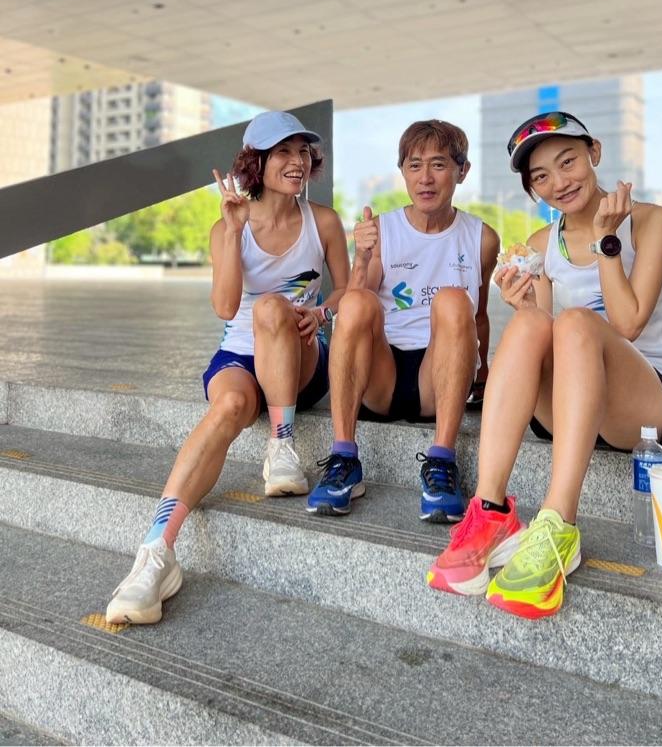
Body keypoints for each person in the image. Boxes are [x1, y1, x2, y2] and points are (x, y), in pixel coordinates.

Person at [428, 110, 662, 618]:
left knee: (574, 322)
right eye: (541, 176)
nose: (558, 183)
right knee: (531, 324)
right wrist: (524, 306)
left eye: (567, 162)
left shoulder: (651, 221)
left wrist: (608, 242)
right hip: (570, 406)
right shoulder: (542, 245)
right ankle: (491, 511)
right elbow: (544, 337)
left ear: (595, 153)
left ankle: (558, 524)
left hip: (646, 405)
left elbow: (629, 323)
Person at [106, 110, 349, 624]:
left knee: (273, 309)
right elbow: (224, 306)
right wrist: (235, 231)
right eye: (283, 152)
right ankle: (156, 552)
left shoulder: (323, 221)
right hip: (239, 354)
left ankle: (281, 444)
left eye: (302, 151)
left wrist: (321, 313)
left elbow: (347, 290)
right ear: (256, 162)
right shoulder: (226, 226)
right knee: (230, 404)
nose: (297, 161)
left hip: (301, 357)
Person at [307, 119, 499, 523]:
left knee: (453, 300)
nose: (425, 178)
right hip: (383, 375)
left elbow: (478, 316)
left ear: (462, 171)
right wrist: (361, 258)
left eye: (438, 164)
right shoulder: (382, 229)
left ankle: (442, 461)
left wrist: (482, 382)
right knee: (357, 301)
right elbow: (355, 306)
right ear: (403, 172)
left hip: (439, 378)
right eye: (414, 165)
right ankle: (344, 457)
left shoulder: (482, 238)